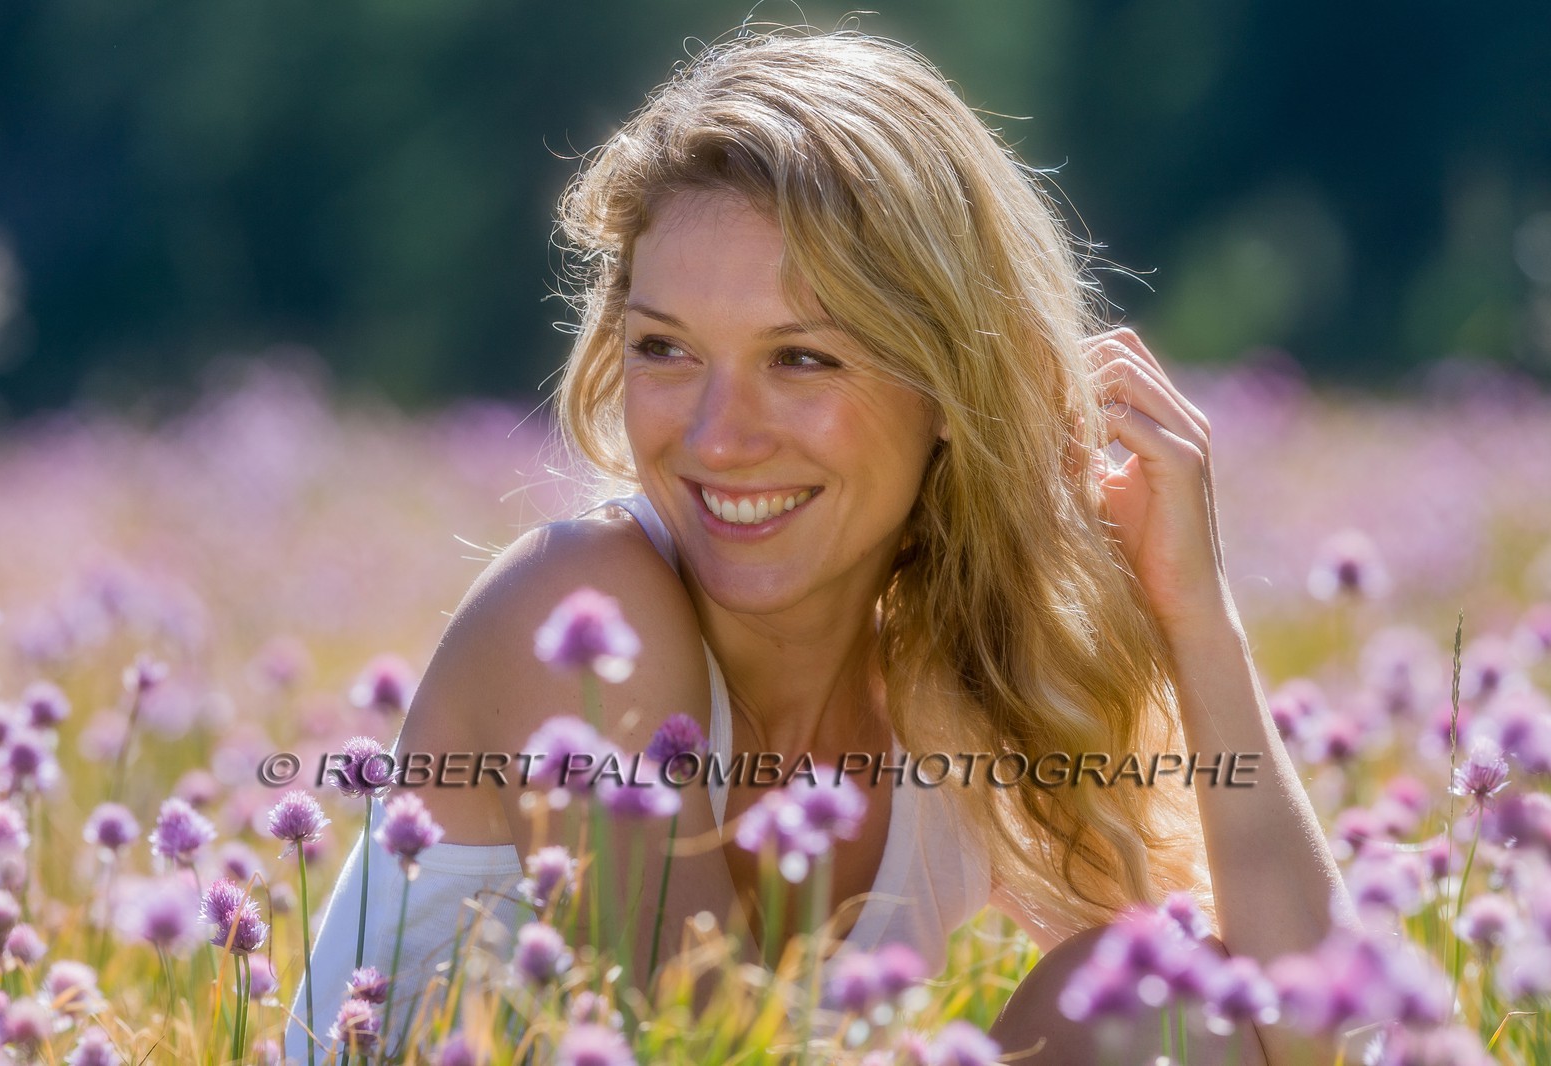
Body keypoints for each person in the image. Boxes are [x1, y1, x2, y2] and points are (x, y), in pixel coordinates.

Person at [288, 27, 1349, 1065]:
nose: (714, 438)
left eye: (800, 358)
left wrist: (1192, 614)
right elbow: (695, 1050)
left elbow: (1310, 1031)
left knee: (1154, 1002)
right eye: (666, 349)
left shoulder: (959, 692)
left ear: (953, 387)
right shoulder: (576, 624)